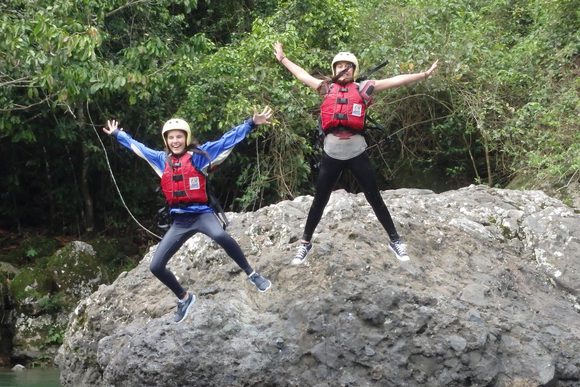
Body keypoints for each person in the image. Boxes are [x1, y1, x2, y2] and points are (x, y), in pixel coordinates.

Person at [103, 107, 274, 323]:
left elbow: (227, 140)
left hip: (202, 214)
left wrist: (250, 123)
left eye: (179, 137)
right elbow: (138, 148)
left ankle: (252, 274)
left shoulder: (200, 157)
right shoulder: (160, 160)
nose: (175, 141)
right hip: (180, 220)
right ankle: (184, 298)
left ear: (186, 138)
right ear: (166, 141)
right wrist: (119, 135)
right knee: (156, 267)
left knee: (220, 236)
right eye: (171, 138)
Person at [273, 41, 438, 264]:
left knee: (374, 197)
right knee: (319, 200)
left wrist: (423, 75)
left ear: (354, 70)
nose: (344, 69)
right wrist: (283, 58)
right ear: (334, 70)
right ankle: (305, 243)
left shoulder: (363, 88)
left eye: (349, 66)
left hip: (356, 151)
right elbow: (302, 75)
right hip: (331, 152)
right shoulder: (326, 88)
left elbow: (395, 81)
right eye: (340, 65)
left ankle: (395, 240)